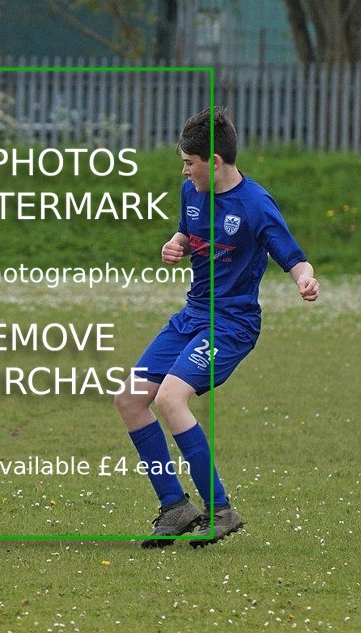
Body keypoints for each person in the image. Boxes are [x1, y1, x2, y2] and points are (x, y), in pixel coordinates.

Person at [114, 107, 319, 549]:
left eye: (190, 162)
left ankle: (220, 509)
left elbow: (292, 256)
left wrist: (305, 279)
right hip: (192, 316)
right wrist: (176, 245)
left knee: (170, 398)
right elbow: (189, 235)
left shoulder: (256, 205)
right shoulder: (193, 193)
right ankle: (175, 507)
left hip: (231, 324)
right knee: (130, 398)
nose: (185, 171)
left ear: (216, 161)